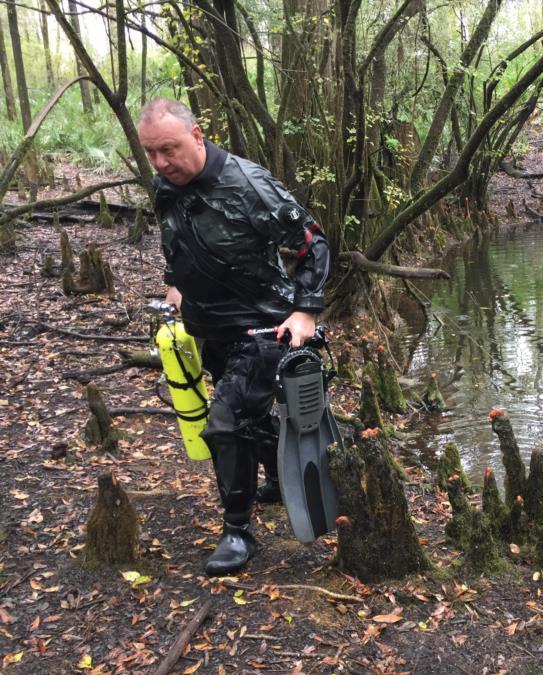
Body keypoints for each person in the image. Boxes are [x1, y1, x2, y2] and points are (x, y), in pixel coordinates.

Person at [137, 99, 330, 576]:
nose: (161, 163)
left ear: (197, 136)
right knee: (248, 417)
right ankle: (279, 484)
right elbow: (174, 236)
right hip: (209, 329)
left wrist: (305, 311)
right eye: (151, 153)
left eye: (169, 149)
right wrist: (174, 282)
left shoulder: (248, 185)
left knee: (224, 424)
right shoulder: (166, 184)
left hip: (267, 327)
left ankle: (237, 530)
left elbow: (313, 242)